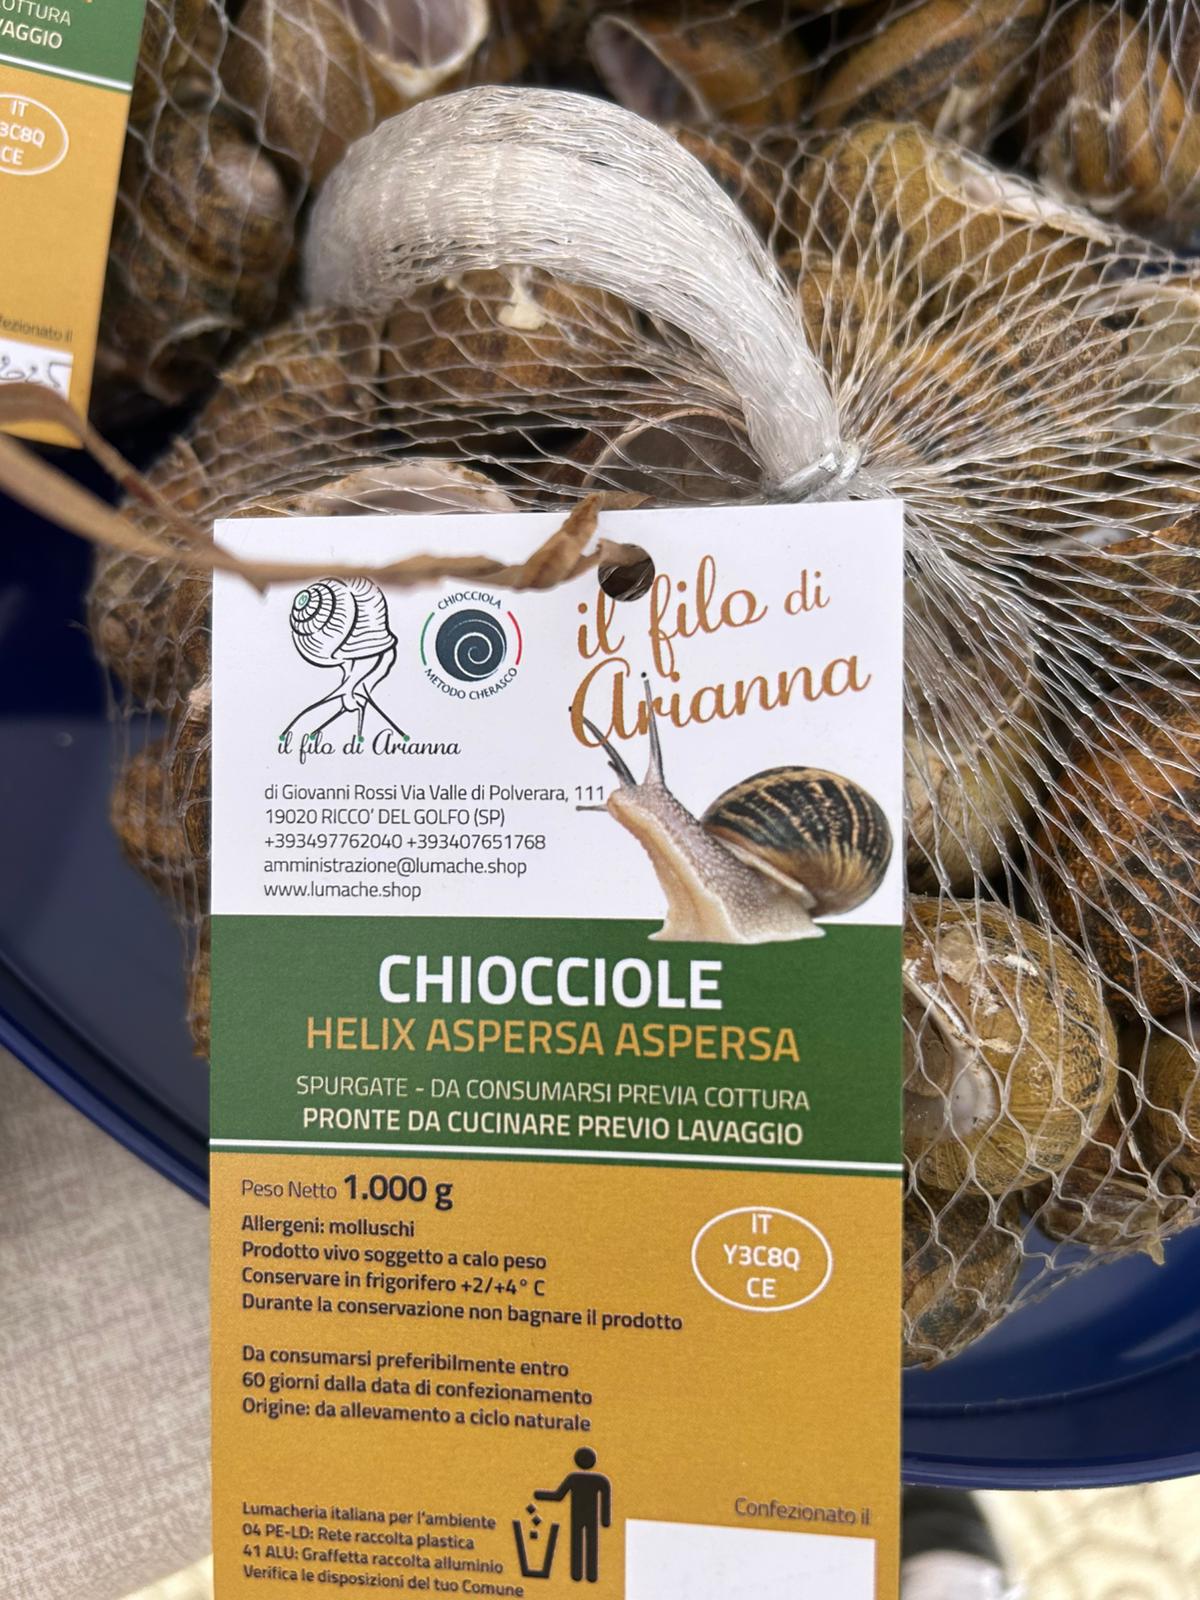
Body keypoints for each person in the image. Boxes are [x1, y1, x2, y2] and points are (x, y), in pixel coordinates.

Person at [535, 1447, 612, 1583]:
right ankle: (590, 1575)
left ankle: (578, 1574)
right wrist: (605, 1520)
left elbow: (558, 1495)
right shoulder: (600, 1480)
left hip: (579, 1517)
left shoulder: (574, 1478)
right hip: (589, 1517)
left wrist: (540, 1495)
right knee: (590, 1542)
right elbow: (605, 1501)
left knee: (578, 1542)